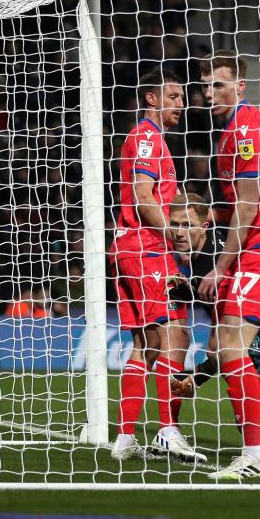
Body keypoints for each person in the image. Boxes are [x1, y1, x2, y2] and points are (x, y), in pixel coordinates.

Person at [197, 51, 260, 479]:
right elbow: (237, 204)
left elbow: (250, 201)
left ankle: (254, 453)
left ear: (240, 85)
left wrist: (221, 265)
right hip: (259, 242)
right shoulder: (232, 132)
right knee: (221, 348)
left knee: (233, 344)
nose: (208, 94)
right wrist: (213, 216)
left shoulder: (245, 128)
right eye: (204, 86)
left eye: (218, 84)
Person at [109, 68, 203, 464]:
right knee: (172, 337)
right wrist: (172, 233)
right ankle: (167, 430)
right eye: (175, 96)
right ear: (152, 99)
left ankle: (126, 437)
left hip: (129, 249)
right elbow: (144, 196)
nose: (182, 104)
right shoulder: (147, 138)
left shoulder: (148, 140)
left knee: (144, 345)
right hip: (146, 248)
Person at [167, 193, 260, 463]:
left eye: (187, 225)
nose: (179, 233)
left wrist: (198, 378)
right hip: (259, 344)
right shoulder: (203, 256)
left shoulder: (216, 261)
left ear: (204, 226)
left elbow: (221, 344)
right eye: (175, 225)